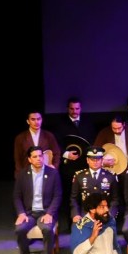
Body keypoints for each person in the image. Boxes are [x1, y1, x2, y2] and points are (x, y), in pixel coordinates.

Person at [13, 146, 62, 254]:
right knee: (20, 230)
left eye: (40, 156)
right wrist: (21, 213)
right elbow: (17, 196)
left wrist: (50, 213)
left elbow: (58, 196)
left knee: (47, 229)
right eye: (35, 157)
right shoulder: (22, 174)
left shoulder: (53, 173)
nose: (39, 159)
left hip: (45, 212)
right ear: (29, 159)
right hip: (28, 213)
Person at [51, 97, 96, 232]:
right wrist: (65, 154)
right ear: (67, 109)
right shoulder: (60, 124)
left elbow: (93, 142)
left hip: (85, 166)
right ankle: (71, 225)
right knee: (69, 195)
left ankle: (87, 223)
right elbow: (55, 143)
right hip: (68, 168)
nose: (74, 111)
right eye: (72, 108)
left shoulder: (88, 123)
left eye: (77, 108)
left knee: (86, 194)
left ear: (80, 109)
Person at [70, 146, 120, 224]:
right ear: (87, 160)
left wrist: (110, 214)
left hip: (105, 214)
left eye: (98, 159)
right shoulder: (79, 176)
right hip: (85, 214)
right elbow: (74, 199)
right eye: (92, 159)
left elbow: (115, 199)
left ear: (102, 160)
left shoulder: (110, 176)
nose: (95, 162)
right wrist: (75, 214)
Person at [13, 109, 61, 178]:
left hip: (45, 174)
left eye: (38, 119)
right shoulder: (20, 138)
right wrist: (19, 175)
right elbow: (18, 158)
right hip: (27, 173)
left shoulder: (48, 136)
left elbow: (57, 153)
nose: (36, 122)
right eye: (33, 119)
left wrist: (54, 167)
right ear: (28, 121)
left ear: (42, 120)